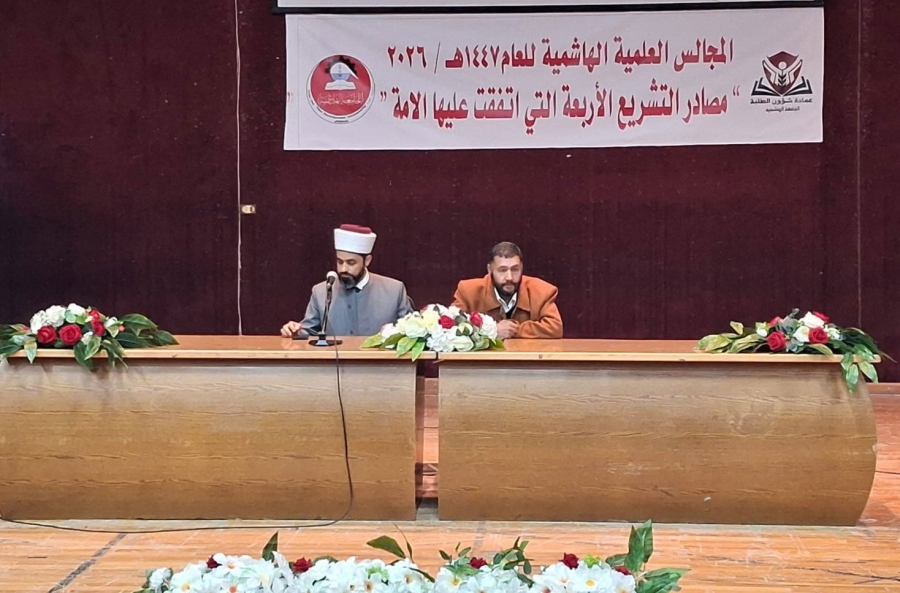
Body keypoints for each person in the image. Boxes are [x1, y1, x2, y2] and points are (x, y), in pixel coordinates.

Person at [281, 224, 414, 338]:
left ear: (367, 261)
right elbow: (309, 332)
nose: (344, 269)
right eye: (340, 262)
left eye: (351, 263)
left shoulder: (394, 291)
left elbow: (411, 335)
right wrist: (295, 331)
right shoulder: (321, 291)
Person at [451, 242, 562, 340]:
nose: (509, 277)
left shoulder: (542, 291)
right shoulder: (468, 291)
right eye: (502, 270)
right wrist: (492, 330)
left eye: (515, 269)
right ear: (490, 270)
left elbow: (555, 328)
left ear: (522, 268)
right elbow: (449, 326)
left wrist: (513, 329)